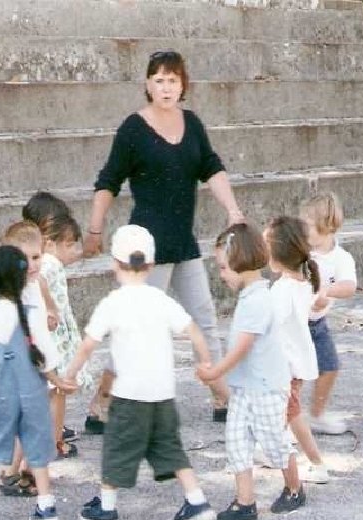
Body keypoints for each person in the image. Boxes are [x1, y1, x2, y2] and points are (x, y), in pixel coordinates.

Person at [83, 50, 245, 422]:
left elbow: (211, 167)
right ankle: (101, 405)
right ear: (148, 84)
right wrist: (95, 229)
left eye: (173, 80)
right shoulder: (133, 128)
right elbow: (108, 181)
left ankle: (223, 399)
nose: (166, 87)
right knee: (134, 328)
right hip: (146, 249)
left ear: (183, 84)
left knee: (204, 320)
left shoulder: (193, 123)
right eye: (159, 80)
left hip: (183, 243)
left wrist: (233, 210)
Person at [66, 225, 216, 520]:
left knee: (117, 447)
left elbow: (88, 345)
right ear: (151, 265)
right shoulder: (161, 299)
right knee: (171, 447)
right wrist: (205, 362)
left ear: (115, 263)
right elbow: (194, 331)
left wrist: (70, 374)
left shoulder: (113, 302)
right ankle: (197, 501)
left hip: (129, 393)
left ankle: (106, 509)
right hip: (162, 392)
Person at [0, 245, 73, 520]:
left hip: (0, 394)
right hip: (33, 392)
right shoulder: (31, 315)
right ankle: (46, 506)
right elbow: (44, 354)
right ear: (22, 279)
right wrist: (57, 379)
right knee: (37, 448)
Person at [198, 223, 305, 520]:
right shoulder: (250, 296)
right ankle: (245, 501)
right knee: (236, 441)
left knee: (274, 441)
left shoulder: (258, 301)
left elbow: (243, 347)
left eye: (223, 267)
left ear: (240, 261)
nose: (221, 274)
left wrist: (215, 372)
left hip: (267, 387)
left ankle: (295, 488)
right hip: (246, 387)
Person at [23, 191, 112, 436]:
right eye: (68, 242)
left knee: (49, 388)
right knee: (56, 388)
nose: (73, 248)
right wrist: (51, 306)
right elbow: (39, 280)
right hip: (53, 338)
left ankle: (52, 430)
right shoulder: (47, 264)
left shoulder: (40, 262)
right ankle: (55, 435)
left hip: (48, 334)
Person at [0, 221, 67, 498]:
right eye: (24, 259)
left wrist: (51, 314)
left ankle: (21, 469)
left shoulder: (36, 283)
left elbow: (47, 306)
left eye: (36, 257)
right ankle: (13, 471)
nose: (32, 265)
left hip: (40, 363)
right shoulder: (12, 295)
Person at [264, 216, 330, 483]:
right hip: (296, 361)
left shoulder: (282, 290)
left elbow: (270, 325)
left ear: (277, 255)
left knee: (291, 412)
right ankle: (271, 450)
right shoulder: (304, 281)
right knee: (283, 411)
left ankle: (317, 463)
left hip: (286, 364)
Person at [301, 193, 357, 435]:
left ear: (326, 225)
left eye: (308, 225)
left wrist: (326, 291)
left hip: (317, 323)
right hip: (293, 323)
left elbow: (349, 286)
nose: (303, 230)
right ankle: (282, 419)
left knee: (329, 366)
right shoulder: (302, 253)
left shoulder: (341, 258)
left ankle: (316, 414)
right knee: (292, 374)